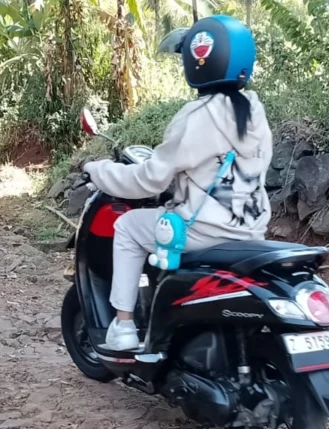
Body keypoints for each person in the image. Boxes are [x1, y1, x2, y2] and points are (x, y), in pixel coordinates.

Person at [83, 15, 272, 351]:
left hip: (202, 233)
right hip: (250, 232)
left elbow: (149, 179)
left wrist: (98, 170)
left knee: (127, 227)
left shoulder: (197, 116)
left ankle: (124, 326)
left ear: (198, 62)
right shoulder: (254, 112)